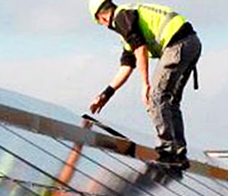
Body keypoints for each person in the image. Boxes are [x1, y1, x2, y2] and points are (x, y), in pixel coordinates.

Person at [86, 0, 201, 169]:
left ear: (101, 18)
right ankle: (179, 154)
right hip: (191, 43)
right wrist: (106, 94)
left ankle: (167, 152)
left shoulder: (121, 17)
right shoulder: (128, 20)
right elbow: (126, 66)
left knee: (155, 97)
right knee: (170, 102)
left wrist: (145, 84)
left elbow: (140, 49)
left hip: (177, 44)